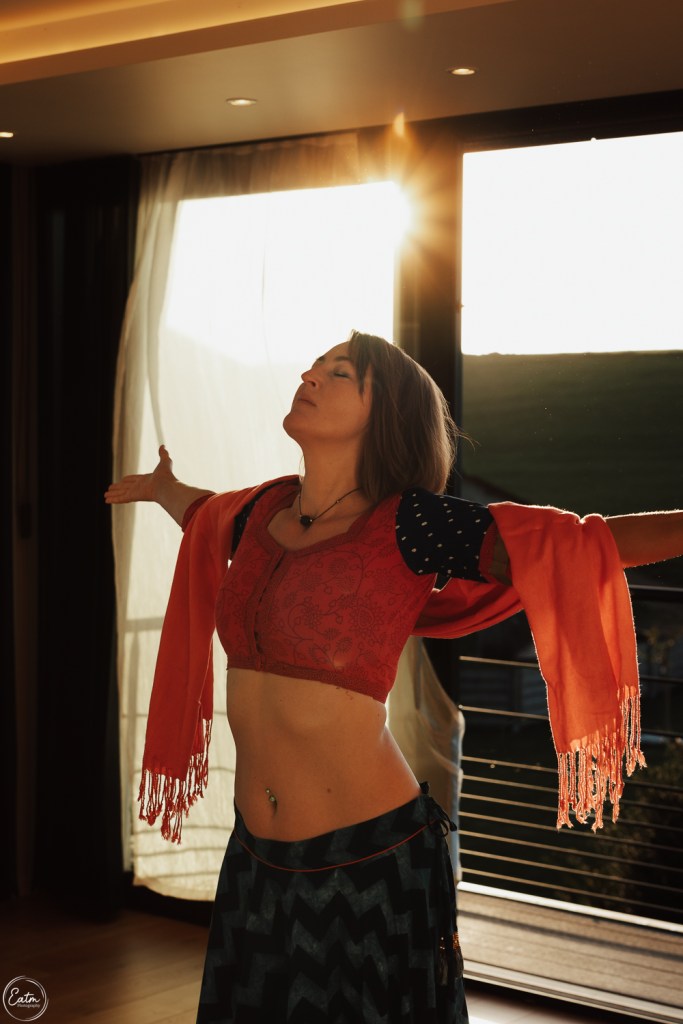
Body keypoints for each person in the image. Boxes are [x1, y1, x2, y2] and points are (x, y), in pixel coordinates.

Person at [105, 330, 683, 1024]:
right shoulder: (256, 513)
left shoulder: (409, 523)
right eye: (314, 365)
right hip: (256, 856)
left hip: (370, 858)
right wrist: (165, 490)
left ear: (386, 415)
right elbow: (203, 517)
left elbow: (576, 544)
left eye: (339, 372)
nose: (310, 375)